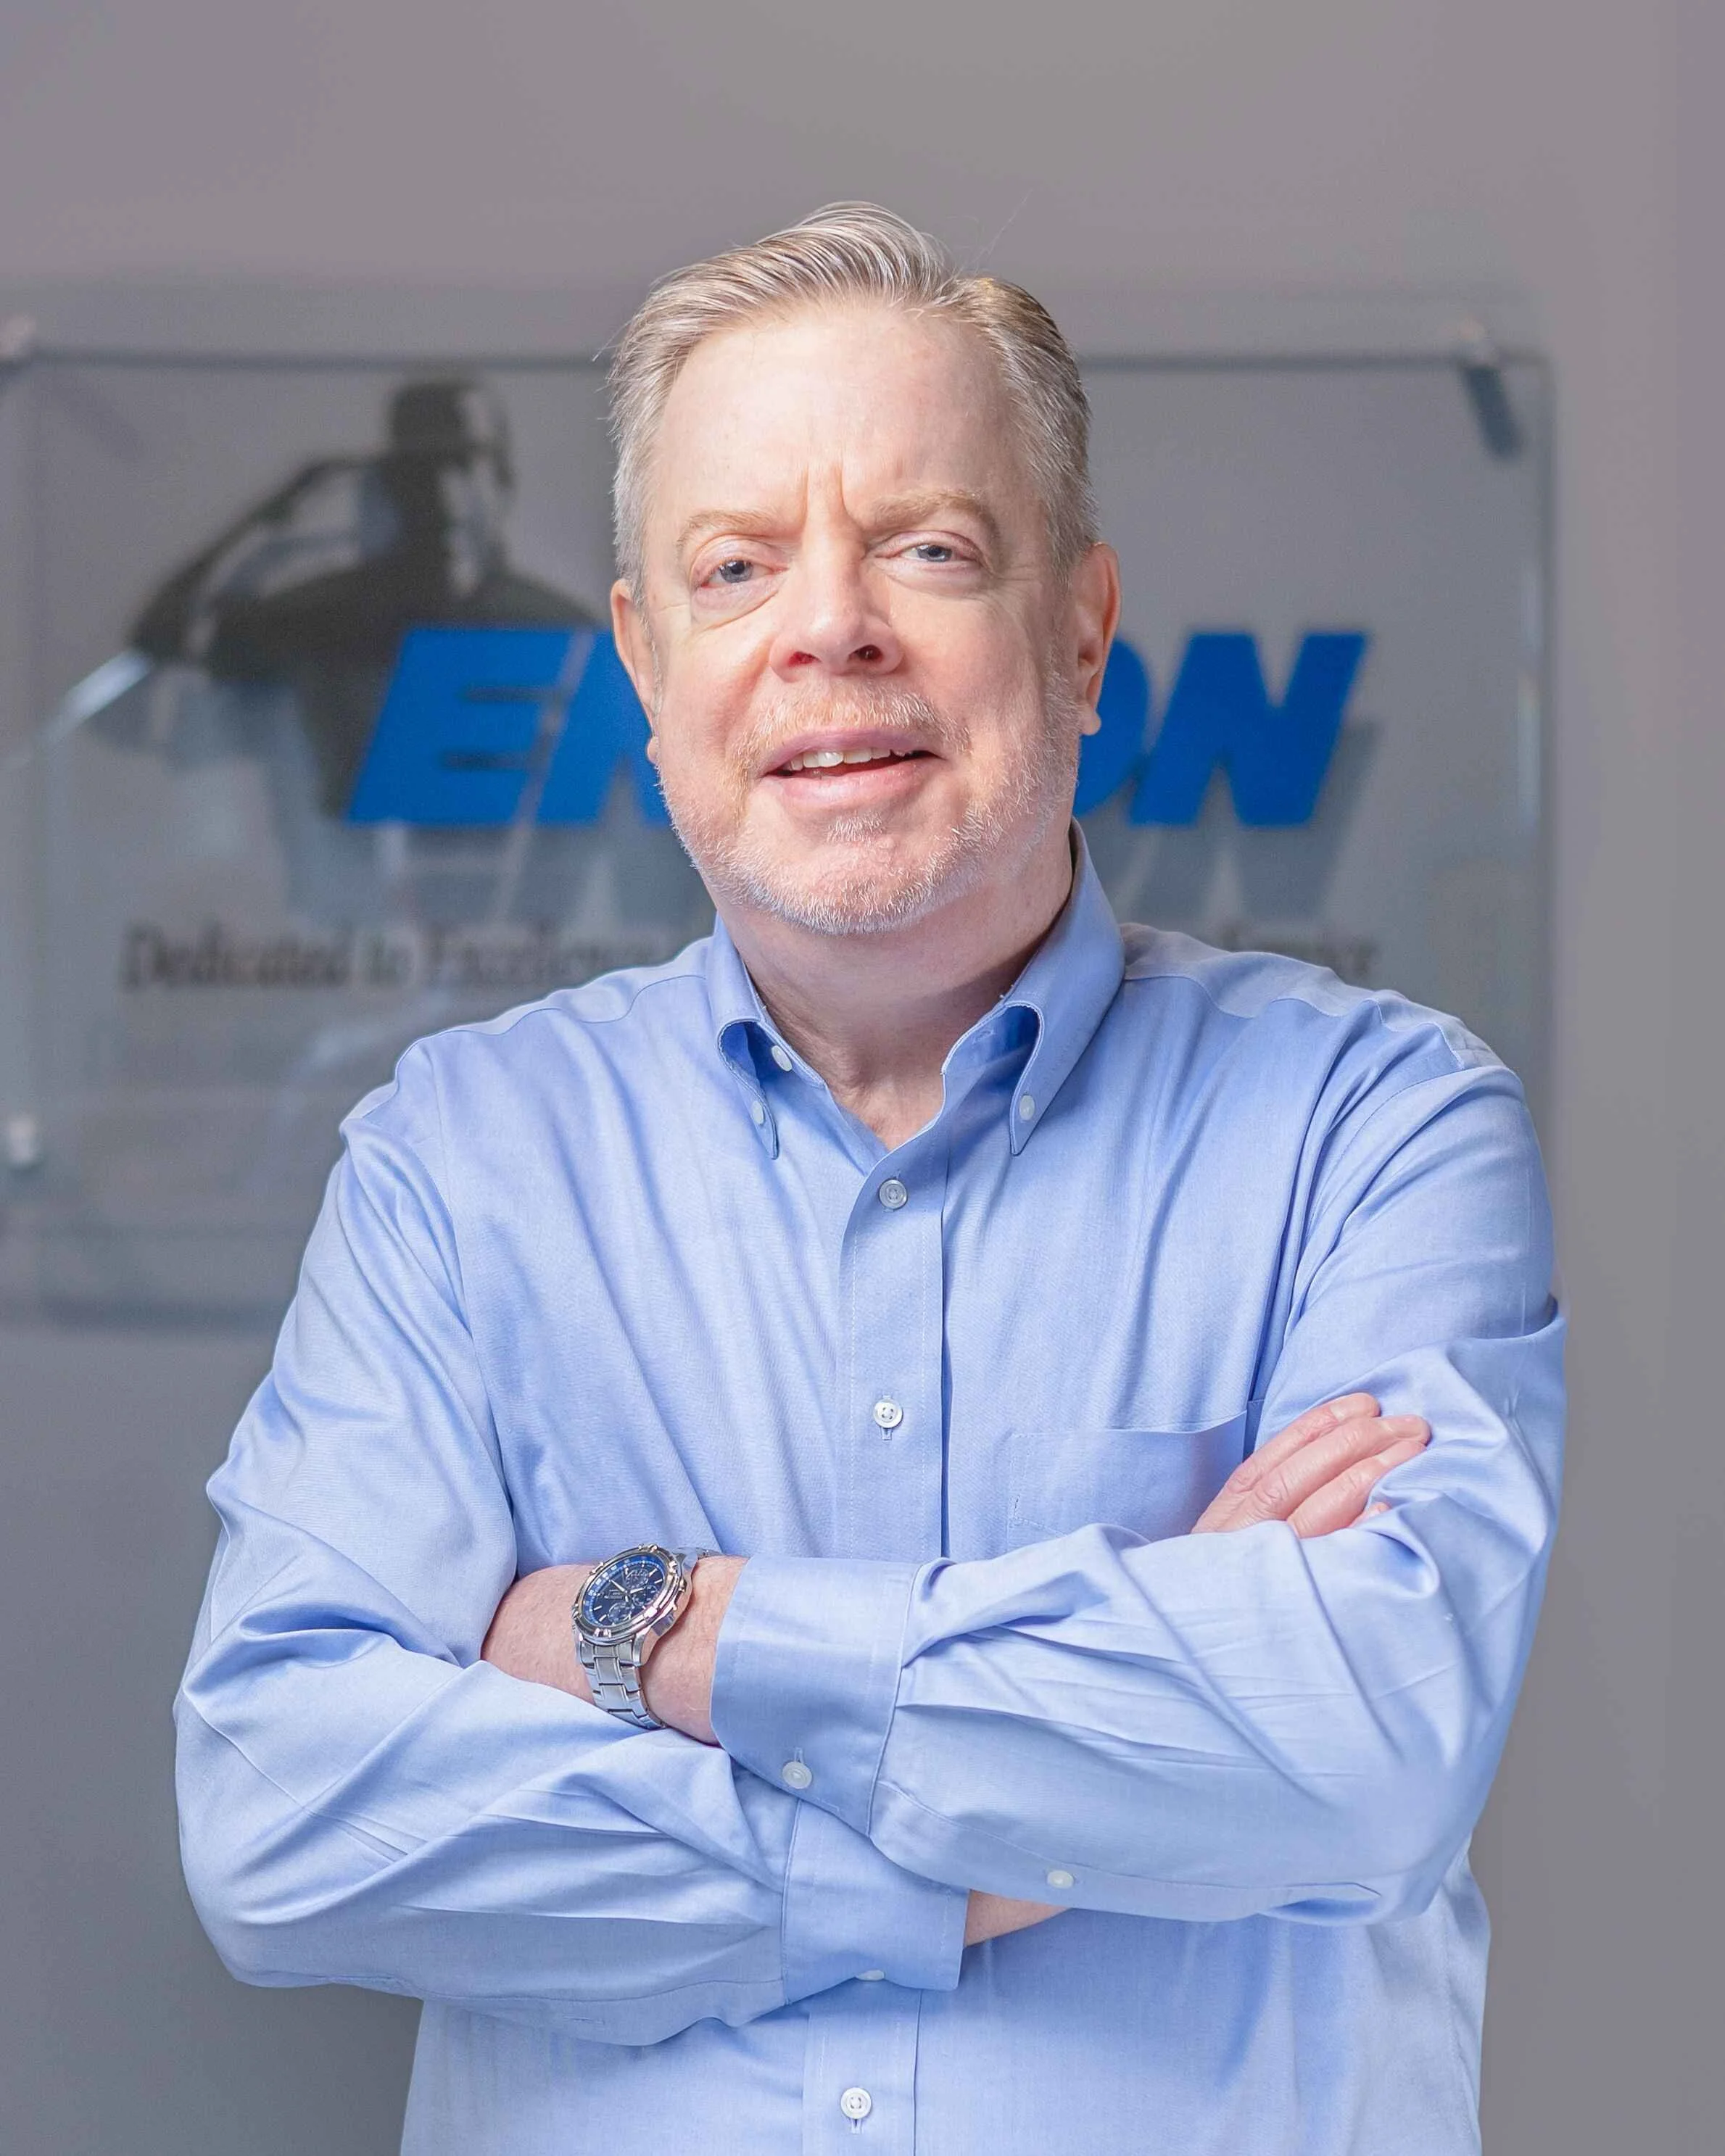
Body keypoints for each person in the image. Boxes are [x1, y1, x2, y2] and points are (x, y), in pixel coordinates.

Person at [175, 207, 1563, 2156]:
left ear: (1081, 634)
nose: (828, 627)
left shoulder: (1374, 1130)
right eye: (737, 567)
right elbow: (283, 1813)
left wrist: (662, 1629)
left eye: (928, 547)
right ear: (646, 664)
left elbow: (1363, 1751)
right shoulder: (458, 1164)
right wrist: (1052, 1776)